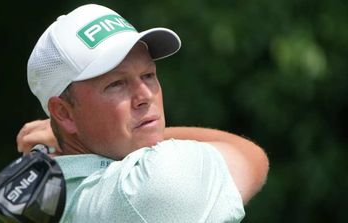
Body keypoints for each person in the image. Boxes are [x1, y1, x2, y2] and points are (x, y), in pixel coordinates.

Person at [18, 4, 269, 222]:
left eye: (148, 75)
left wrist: (66, 132)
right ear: (64, 113)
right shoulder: (151, 184)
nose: (145, 95)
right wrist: (150, 130)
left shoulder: (42, 197)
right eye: (116, 83)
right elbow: (250, 156)